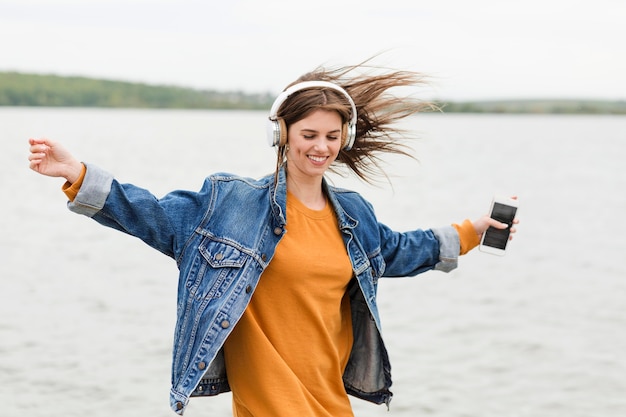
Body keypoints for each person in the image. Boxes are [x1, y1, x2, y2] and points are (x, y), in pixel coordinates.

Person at [28, 62, 518, 416]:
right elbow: (152, 215)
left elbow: (395, 251)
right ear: (281, 132)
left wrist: (472, 232)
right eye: (308, 134)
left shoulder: (353, 215)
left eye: (331, 135)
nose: (320, 147)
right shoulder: (230, 205)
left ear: (344, 138)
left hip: (330, 406)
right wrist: (78, 173)